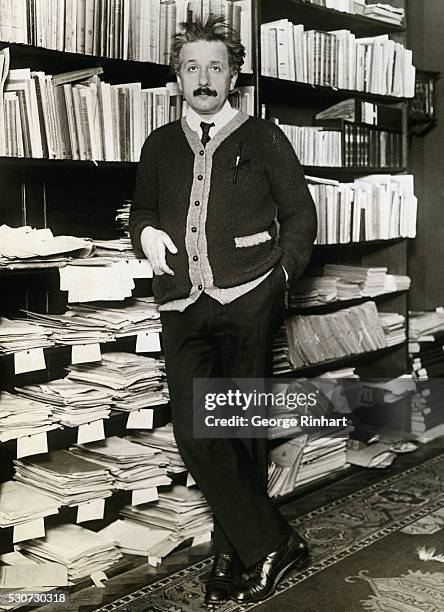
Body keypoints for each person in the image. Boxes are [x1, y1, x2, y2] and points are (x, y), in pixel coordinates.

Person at [129, 15, 317, 608]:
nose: (204, 78)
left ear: (234, 74)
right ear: (177, 79)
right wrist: (147, 236)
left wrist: (279, 279)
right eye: (192, 68)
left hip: (248, 300)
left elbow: (301, 216)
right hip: (183, 304)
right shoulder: (160, 144)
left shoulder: (263, 137)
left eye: (215, 67)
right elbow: (141, 211)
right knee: (195, 433)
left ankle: (232, 556)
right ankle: (273, 542)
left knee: (238, 435)